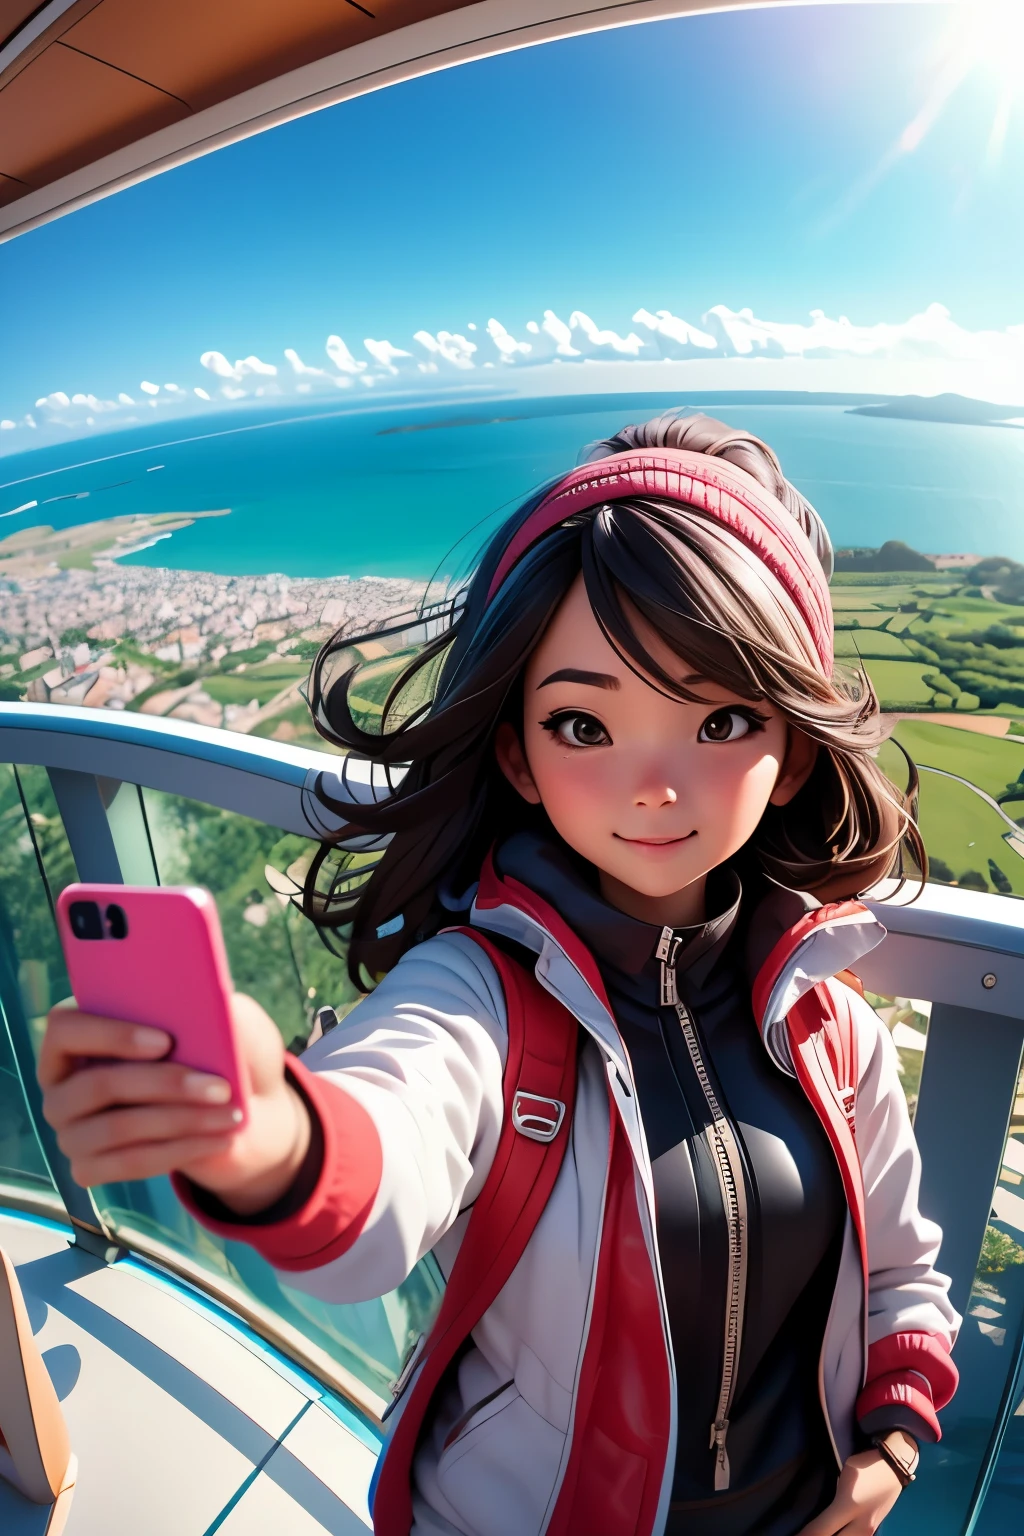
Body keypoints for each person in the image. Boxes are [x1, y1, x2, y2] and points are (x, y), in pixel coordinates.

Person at [39, 412, 960, 1536]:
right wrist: (270, 1138)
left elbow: (905, 1274)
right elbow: (387, 1135)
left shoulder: (828, 1023)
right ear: (516, 754)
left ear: (793, 751)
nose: (654, 785)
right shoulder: (482, 997)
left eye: (719, 717)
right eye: (584, 724)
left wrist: (894, 1447)